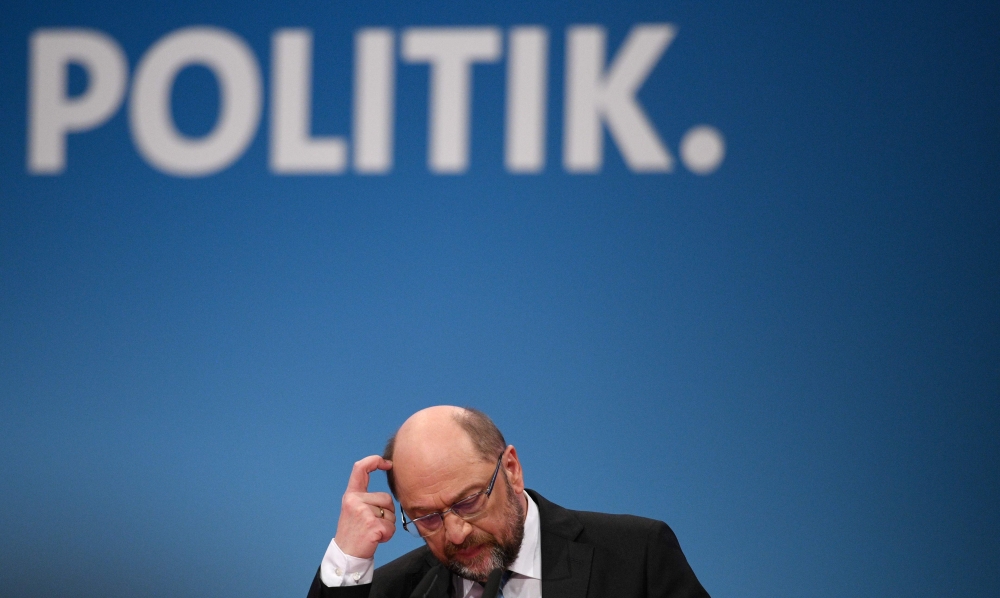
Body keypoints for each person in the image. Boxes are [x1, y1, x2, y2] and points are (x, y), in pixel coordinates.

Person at [307, 406, 710, 598]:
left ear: (512, 470)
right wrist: (349, 559)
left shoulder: (635, 555)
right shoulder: (393, 591)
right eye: (427, 518)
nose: (456, 532)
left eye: (467, 503)